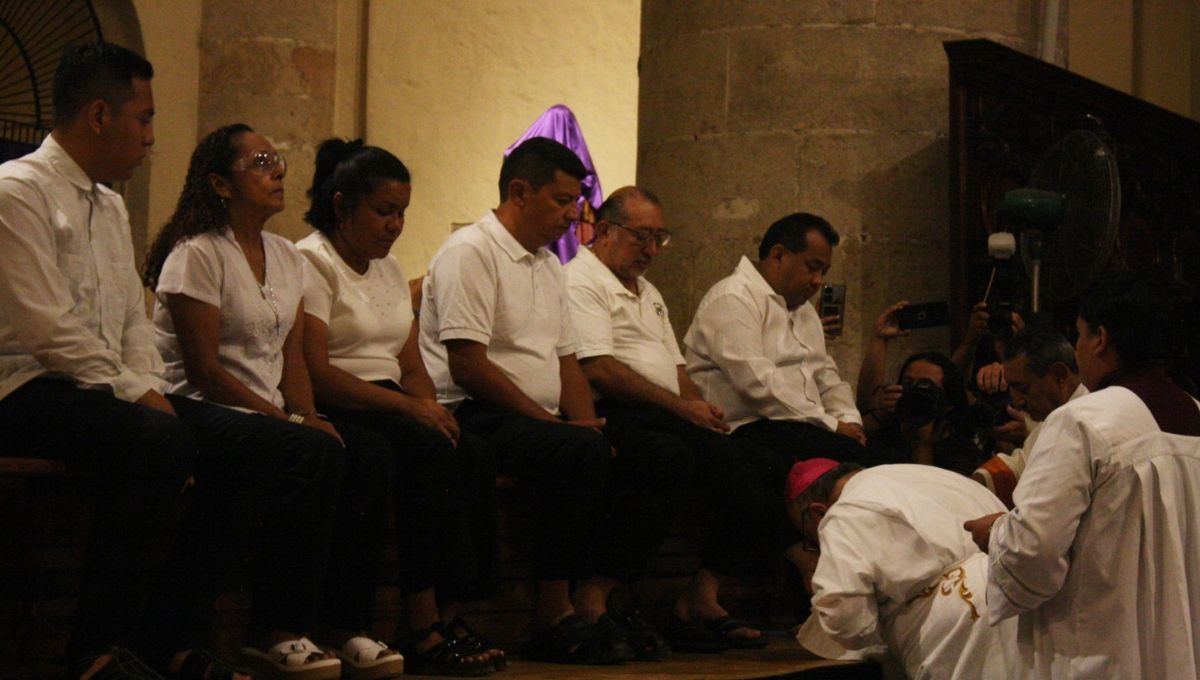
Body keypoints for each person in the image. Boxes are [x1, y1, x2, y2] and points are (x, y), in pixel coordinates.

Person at [140, 124, 400, 680]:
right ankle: (276, 630)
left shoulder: (286, 256)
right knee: (303, 450)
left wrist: (308, 416)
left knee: (365, 452)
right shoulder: (196, 253)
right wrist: (288, 423)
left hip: (264, 413)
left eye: (277, 159)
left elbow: (292, 361)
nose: (277, 171)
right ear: (221, 183)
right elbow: (205, 371)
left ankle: (339, 622)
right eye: (260, 162)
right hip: (193, 404)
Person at [0, 42, 219, 680]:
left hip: (99, 392)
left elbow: (132, 318)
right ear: (99, 115)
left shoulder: (111, 203)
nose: (151, 136)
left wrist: (146, 385)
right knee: (157, 441)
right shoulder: (18, 191)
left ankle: (171, 641)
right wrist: (140, 396)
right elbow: (47, 329)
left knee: (253, 444)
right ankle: (93, 651)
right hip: (23, 388)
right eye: (144, 118)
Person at [418, 136, 629, 664]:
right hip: (472, 410)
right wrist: (557, 428)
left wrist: (586, 424)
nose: (571, 215)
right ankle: (550, 614)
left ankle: (597, 600)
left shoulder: (546, 265)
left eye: (576, 203)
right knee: (573, 452)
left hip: (529, 417)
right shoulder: (471, 251)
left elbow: (565, 359)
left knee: (628, 451)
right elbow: (469, 365)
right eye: (561, 201)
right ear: (518, 191)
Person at [297, 138, 500, 675]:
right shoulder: (311, 262)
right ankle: (419, 620)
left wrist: (430, 406)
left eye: (402, 213)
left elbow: (410, 363)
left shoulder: (388, 269)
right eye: (384, 211)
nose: (395, 226)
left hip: (390, 401)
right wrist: (410, 412)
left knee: (471, 450)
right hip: (340, 400)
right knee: (412, 452)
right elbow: (317, 370)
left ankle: (453, 611)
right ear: (342, 205)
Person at [564, 185, 777, 653]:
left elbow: (676, 369)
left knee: (756, 462)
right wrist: (681, 409)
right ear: (603, 230)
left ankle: (702, 593)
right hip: (612, 411)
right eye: (642, 236)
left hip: (661, 412)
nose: (651, 249)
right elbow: (596, 366)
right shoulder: (581, 281)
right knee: (667, 458)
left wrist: (700, 408)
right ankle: (596, 590)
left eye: (660, 237)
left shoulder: (650, 291)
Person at [964, 274, 1200, 679]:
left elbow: (1032, 553)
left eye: (1079, 335)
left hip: (1098, 655)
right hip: (1180, 649)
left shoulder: (1083, 420)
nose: (1077, 349)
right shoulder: (1194, 412)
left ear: (1101, 339)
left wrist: (998, 533)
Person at [787, 459, 1017, 679]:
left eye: (812, 539)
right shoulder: (935, 476)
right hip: (1016, 597)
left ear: (818, 512)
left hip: (955, 627)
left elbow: (849, 621)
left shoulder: (845, 508)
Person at [684, 212, 868, 464]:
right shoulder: (733, 298)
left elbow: (825, 375)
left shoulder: (804, 310)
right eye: (813, 268)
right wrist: (831, 425)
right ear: (778, 255)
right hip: (747, 427)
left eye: (824, 271)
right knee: (862, 462)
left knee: (884, 458)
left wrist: (849, 421)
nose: (818, 281)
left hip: (806, 425)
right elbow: (757, 385)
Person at [854, 304, 984, 475]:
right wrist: (880, 414)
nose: (915, 392)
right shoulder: (887, 431)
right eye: (908, 384)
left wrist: (921, 443)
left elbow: (929, 493)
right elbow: (858, 422)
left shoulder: (961, 449)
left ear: (947, 402)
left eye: (926, 386)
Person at [970, 327, 1086, 507]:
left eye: (1023, 389)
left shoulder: (1082, 421)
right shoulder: (1057, 415)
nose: (1017, 402)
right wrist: (964, 489)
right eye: (1012, 389)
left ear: (1059, 376)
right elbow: (1019, 465)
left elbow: (1045, 520)